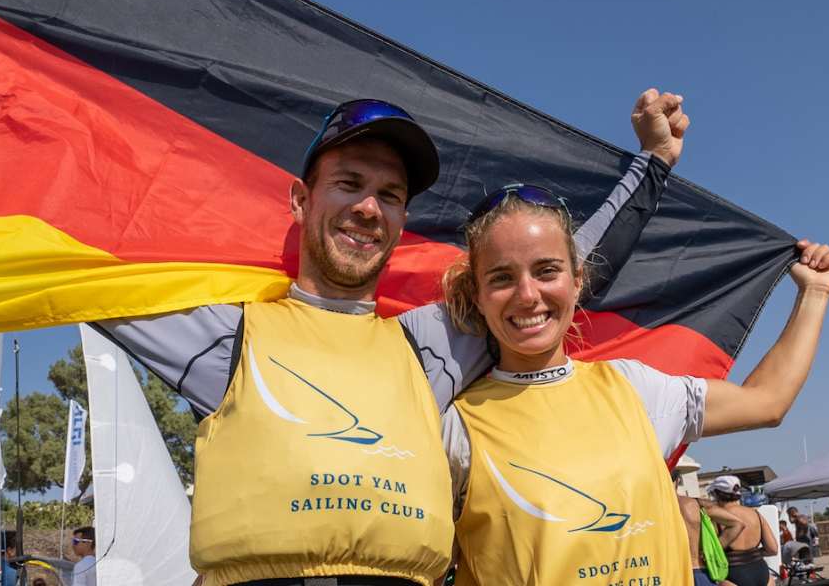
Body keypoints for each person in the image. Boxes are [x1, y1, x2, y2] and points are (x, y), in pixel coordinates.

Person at [97, 91, 684, 586]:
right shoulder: (226, 334)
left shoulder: (433, 345)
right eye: (349, 183)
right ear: (301, 201)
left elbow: (556, 266)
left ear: (401, 221)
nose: (368, 208)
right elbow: (69, 271)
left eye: (391, 196)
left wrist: (653, 162)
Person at [437, 167, 829, 584]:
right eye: (502, 277)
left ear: (577, 282)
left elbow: (767, 401)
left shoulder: (634, 388)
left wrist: (814, 294)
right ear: (477, 295)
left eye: (546, 271)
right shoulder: (454, 425)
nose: (528, 295)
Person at [675, 472, 745, 586]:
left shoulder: (652, 508)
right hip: (699, 570)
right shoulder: (697, 504)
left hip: (673, 573)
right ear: (678, 481)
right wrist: (712, 550)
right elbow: (737, 523)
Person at [706, 477, 778, 586]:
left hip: (732, 575)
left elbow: (709, 554)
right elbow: (773, 549)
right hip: (761, 572)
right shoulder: (756, 514)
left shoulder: (716, 518)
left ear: (717, 493)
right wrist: (752, 554)